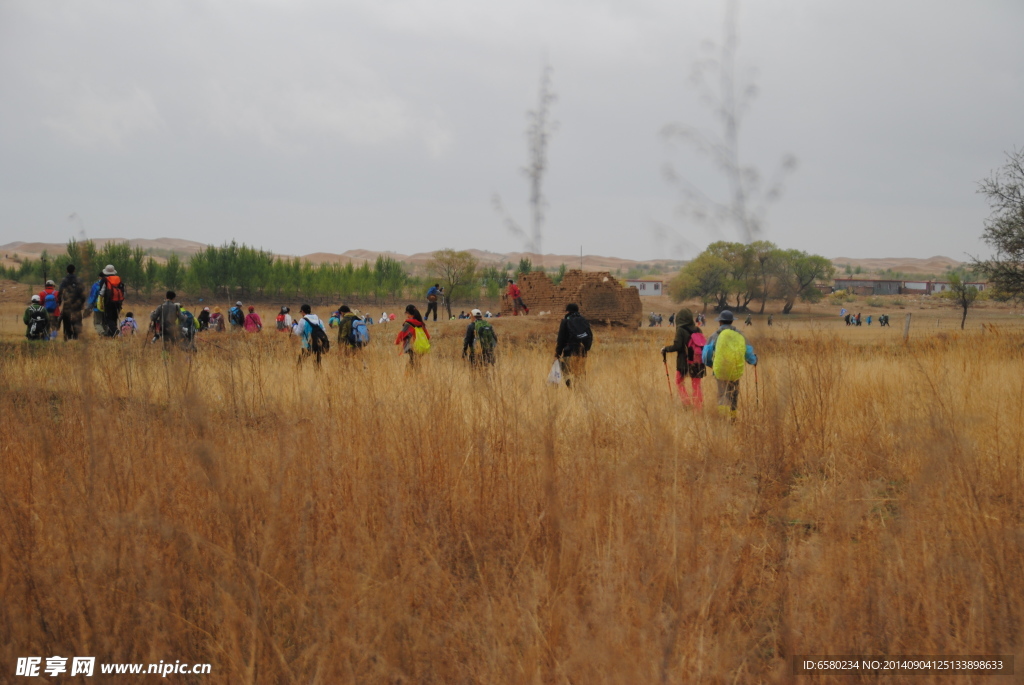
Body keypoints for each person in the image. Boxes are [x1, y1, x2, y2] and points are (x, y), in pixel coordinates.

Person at [701, 310, 757, 417]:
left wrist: (710, 364)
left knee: (722, 394)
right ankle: (733, 418)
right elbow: (749, 353)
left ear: (720, 322)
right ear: (732, 321)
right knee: (734, 395)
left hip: (720, 369)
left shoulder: (715, 335)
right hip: (735, 370)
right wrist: (754, 361)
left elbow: (706, 354)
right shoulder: (740, 335)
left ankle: (722, 418)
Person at [661, 308, 706, 408]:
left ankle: (686, 403)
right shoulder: (698, 329)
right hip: (698, 361)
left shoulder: (681, 330)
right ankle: (698, 408)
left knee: (679, 381)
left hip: (684, 362)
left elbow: (677, 346)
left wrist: (665, 349)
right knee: (696, 385)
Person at [555, 303, 593, 388]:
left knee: (567, 374)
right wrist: (585, 349)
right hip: (582, 354)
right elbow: (590, 336)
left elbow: (561, 339)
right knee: (579, 375)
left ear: (567, 311)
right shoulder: (583, 321)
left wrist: (557, 354)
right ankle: (579, 393)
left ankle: (572, 391)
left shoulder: (566, 321)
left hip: (569, 352)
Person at [56, 264, 86, 340]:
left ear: (67, 271)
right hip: (77, 303)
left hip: (67, 303)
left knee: (66, 319)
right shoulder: (78, 280)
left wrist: (59, 301)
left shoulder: (64, 280)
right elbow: (83, 292)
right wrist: (82, 302)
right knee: (77, 319)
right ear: (74, 270)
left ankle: (67, 335)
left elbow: (60, 291)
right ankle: (76, 336)